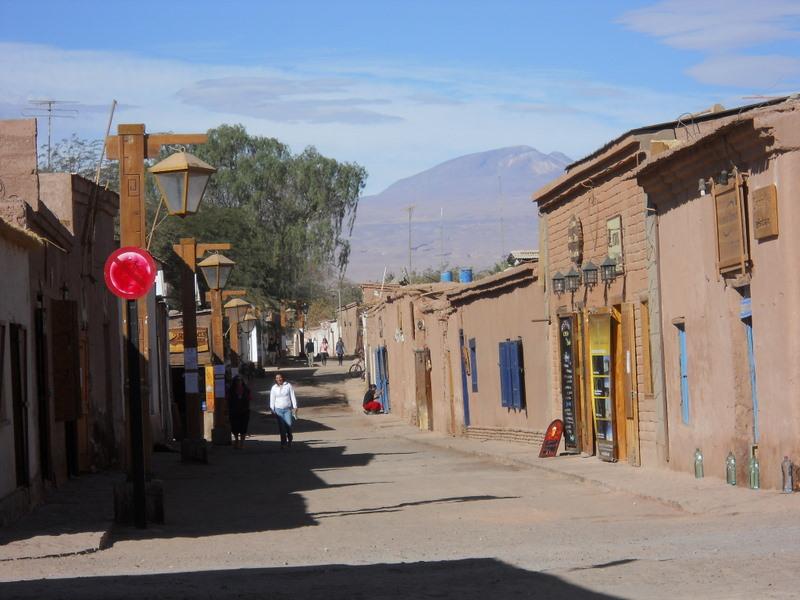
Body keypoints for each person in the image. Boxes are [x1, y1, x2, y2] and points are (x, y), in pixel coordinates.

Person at [270, 372, 298, 449]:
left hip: (287, 409)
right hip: (278, 409)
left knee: (288, 425)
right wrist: (272, 409)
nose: (279, 379)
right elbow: (272, 399)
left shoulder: (288, 385)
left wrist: (295, 407)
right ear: (275, 379)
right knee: (282, 427)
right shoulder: (274, 388)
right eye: (277, 378)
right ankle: (283, 443)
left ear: (283, 378)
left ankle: (290, 439)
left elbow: (292, 396)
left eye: (280, 377)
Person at [228, 375, 251, 449]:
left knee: (243, 427)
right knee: (234, 427)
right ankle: (236, 440)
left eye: (240, 380)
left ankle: (242, 442)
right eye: (237, 380)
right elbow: (228, 399)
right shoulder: (231, 390)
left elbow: (250, 398)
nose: (239, 382)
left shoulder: (246, 389)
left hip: (244, 411)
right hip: (234, 411)